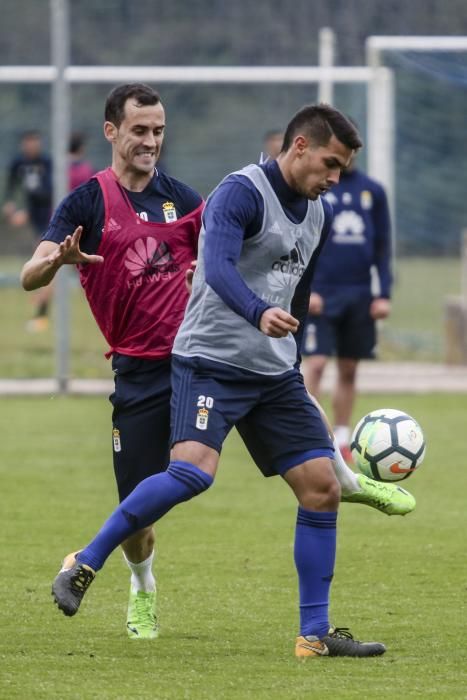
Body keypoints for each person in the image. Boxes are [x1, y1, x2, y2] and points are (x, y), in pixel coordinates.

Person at [47, 104, 411, 658]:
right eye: (330, 164)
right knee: (193, 473)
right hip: (211, 360)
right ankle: (85, 562)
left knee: (322, 488)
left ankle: (314, 637)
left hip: (273, 371)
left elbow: (297, 293)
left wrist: (289, 351)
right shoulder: (240, 192)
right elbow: (215, 267)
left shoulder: (319, 211)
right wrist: (258, 311)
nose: (335, 177)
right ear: (300, 148)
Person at [20, 83, 204, 640]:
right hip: (137, 372)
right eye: (140, 131)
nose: (151, 141)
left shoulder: (187, 200)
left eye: (158, 131)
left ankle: (338, 473)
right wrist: (59, 261)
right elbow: (30, 276)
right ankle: (142, 584)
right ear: (112, 132)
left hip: (197, 363)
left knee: (272, 418)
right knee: (137, 516)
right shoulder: (85, 203)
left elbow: (223, 261)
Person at [301, 149, 392, 463]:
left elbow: (383, 245)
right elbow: (302, 240)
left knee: (349, 368)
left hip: (359, 293)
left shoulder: (372, 190)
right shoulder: (318, 186)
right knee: (315, 364)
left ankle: (341, 435)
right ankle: (309, 434)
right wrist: (306, 289)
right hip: (321, 293)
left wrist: (384, 294)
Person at [3, 130, 53, 331]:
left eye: (34, 143)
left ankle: (42, 313)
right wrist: (9, 202)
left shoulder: (47, 162)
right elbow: (11, 184)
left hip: (48, 217)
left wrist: (26, 212)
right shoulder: (19, 163)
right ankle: (40, 305)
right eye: (27, 143)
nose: (30, 147)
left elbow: (49, 192)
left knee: (47, 263)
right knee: (41, 262)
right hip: (34, 219)